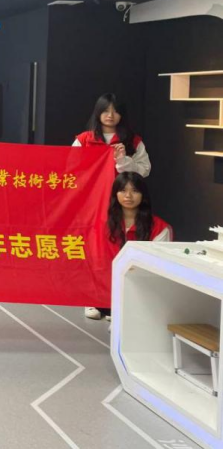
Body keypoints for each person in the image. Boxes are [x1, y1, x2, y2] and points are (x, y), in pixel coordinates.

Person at [86, 172, 172, 320]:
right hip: (105, 289)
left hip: (141, 291)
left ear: (143, 195)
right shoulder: (101, 225)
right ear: (115, 194)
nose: (128, 196)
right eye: (123, 190)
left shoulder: (159, 228)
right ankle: (101, 305)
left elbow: (159, 265)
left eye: (135, 191)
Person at [73, 93, 150, 176]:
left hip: (120, 184)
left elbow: (145, 170)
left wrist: (123, 160)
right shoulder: (83, 139)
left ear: (122, 114)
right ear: (98, 112)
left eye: (116, 111)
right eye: (106, 111)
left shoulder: (133, 140)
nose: (110, 115)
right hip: (91, 184)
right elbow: (71, 168)